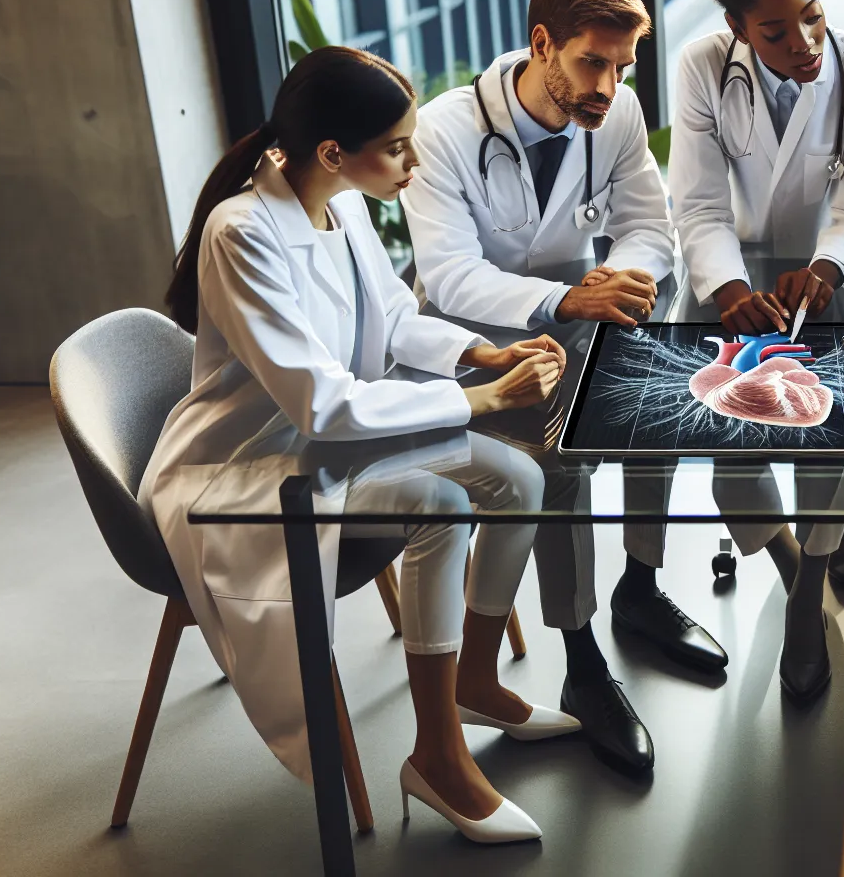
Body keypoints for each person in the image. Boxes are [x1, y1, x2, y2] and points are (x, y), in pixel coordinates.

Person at [139, 46, 577, 843]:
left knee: (520, 478)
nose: (414, 159)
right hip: (246, 468)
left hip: (329, 443)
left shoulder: (340, 205)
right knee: (443, 504)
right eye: (399, 146)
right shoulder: (240, 232)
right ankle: (438, 757)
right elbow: (317, 401)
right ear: (335, 151)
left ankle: (475, 678)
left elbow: (396, 317)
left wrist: (486, 353)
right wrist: (478, 398)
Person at [404, 0, 718, 775]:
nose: (610, 88)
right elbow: (447, 274)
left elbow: (650, 224)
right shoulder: (443, 130)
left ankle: (640, 589)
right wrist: (562, 300)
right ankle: (581, 656)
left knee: (663, 409)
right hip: (481, 346)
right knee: (565, 456)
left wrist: (633, 273)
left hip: (579, 316)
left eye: (622, 68)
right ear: (541, 44)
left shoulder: (612, 112)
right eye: (592, 63)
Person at [667, 0, 844, 701]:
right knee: (732, 460)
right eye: (774, 32)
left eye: (813, 18)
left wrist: (828, 266)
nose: (802, 46)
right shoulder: (699, 66)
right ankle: (797, 561)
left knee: (823, 447)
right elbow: (697, 205)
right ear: (735, 26)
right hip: (732, 282)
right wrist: (729, 289)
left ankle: (805, 610)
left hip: (831, 282)